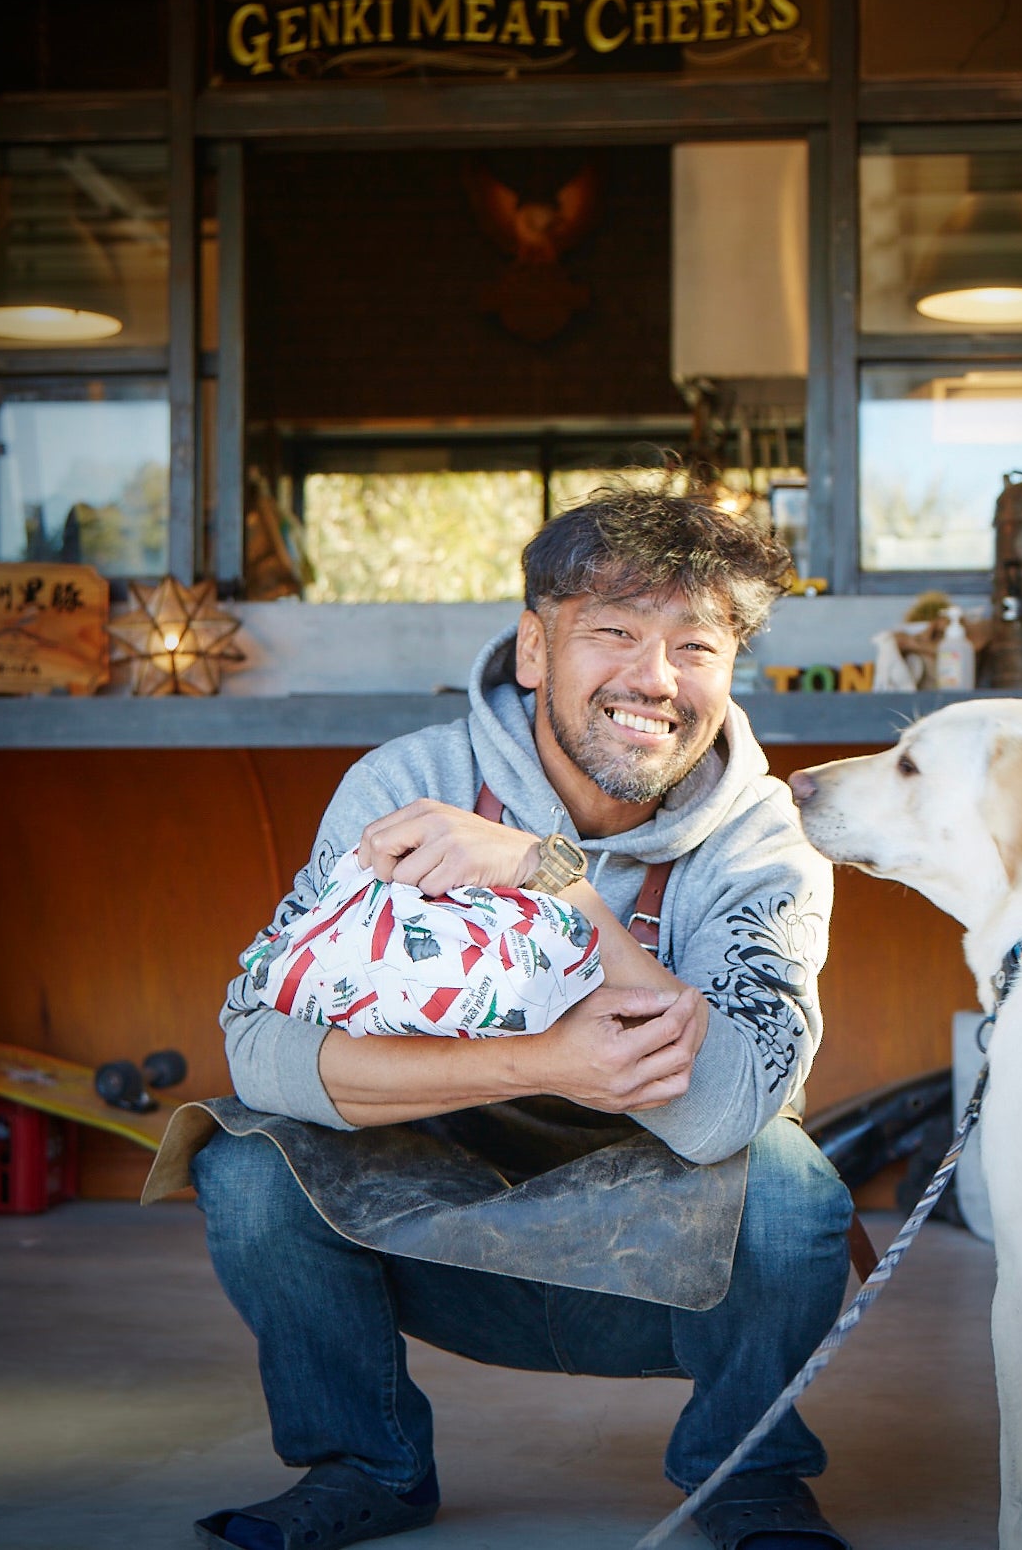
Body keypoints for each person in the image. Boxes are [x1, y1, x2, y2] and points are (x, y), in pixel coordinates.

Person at [186, 488, 855, 1550]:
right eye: (614, 632)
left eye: (696, 645)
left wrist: (561, 887)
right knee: (248, 1161)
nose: (654, 678)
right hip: (438, 1217)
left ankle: (747, 1473)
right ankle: (367, 1462)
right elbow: (262, 1049)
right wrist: (543, 1058)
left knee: (786, 1189)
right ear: (534, 649)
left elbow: (726, 1108)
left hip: (662, 1248)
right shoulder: (411, 784)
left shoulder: (763, 843)